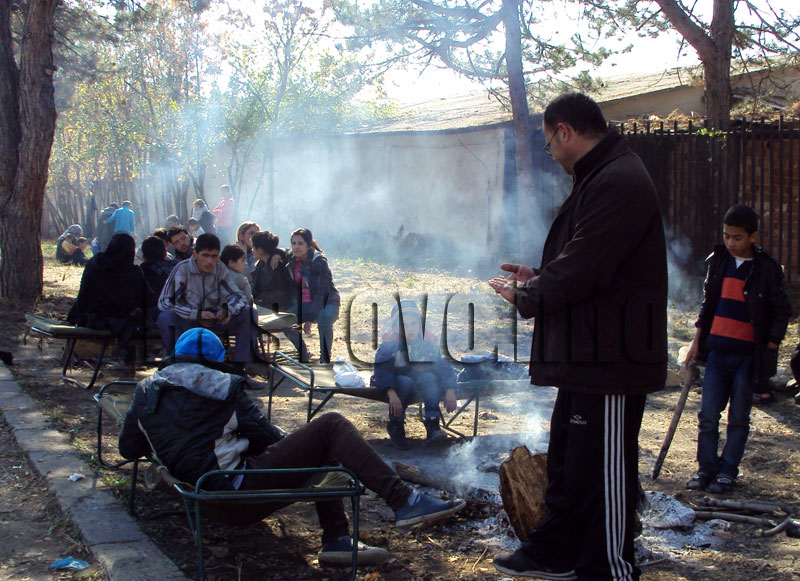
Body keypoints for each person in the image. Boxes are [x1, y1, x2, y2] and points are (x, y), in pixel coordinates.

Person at [489, 92, 667, 581]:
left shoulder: (618, 180)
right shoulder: (601, 175)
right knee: (572, 462)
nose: (550, 153)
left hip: (612, 357)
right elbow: (583, 261)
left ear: (564, 131)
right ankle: (557, 553)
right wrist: (538, 276)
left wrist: (529, 294)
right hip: (587, 352)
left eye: (548, 143)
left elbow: (586, 266)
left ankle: (609, 568)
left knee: (603, 471)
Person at [118, 328, 466, 566]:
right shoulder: (224, 387)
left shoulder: (146, 391)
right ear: (216, 361)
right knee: (331, 425)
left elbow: (128, 449)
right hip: (233, 494)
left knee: (322, 440)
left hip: (198, 493)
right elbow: (269, 439)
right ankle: (403, 501)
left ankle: (339, 539)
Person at [683, 204, 790, 494]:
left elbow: (781, 310)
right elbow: (707, 307)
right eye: (727, 236)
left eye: (738, 237)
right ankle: (706, 468)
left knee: (739, 417)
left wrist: (770, 344)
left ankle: (727, 471)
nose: (731, 242)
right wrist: (696, 343)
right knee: (707, 415)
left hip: (746, 356)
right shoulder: (719, 262)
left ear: (753, 236)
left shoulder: (765, 268)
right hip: (717, 353)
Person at [157, 233, 256, 367]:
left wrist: (228, 310)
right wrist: (196, 314)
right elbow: (164, 302)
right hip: (189, 321)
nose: (209, 261)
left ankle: (240, 367)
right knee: (165, 317)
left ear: (218, 257)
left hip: (215, 318)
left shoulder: (220, 269)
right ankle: (179, 363)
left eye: (213, 256)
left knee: (249, 312)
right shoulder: (183, 269)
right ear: (195, 254)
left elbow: (238, 297)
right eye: (205, 255)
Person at [371, 300, 457, 449]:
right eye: (404, 325)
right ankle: (396, 424)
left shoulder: (427, 343)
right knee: (405, 382)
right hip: (397, 385)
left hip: (421, 383)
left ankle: (433, 424)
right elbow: (382, 371)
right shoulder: (390, 345)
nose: (410, 329)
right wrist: (391, 394)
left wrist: (450, 390)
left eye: (413, 324)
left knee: (429, 378)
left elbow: (443, 367)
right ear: (396, 327)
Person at [67, 233, 147, 365]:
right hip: (114, 321)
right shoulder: (133, 273)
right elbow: (141, 299)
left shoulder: (95, 262)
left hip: (86, 316)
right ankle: (128, 359)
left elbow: (83, 296)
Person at [285, 228, 340, 364]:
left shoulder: (319, 262)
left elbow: (321, 293)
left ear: (308, 245)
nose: (296, 247)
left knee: (323, 317)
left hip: (327, 301)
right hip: (306, 303)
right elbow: (276, 250)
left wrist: (309, 319)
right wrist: (275, 256)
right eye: (294, 243)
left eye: (300, 243)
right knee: (285, 321)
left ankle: (325, 358)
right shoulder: (292, 259)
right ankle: (304, 353)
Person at [249, 230, 293, 312]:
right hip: (266, 306)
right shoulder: (261, 265)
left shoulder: (277, 264)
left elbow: (281, 293)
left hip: (278, 309)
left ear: (259, 249)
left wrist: (260, 299)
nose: (252, 250)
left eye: (253, 247)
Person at [140, 235, 177, 323]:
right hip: (183, 308)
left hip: (156, 310)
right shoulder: (177, 264)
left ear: (144, 257)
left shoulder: (144, 268)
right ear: (165, 253)